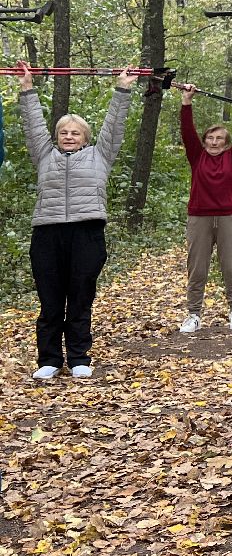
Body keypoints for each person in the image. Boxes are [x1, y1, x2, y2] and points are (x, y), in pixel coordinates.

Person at [15, 63, 137, 379]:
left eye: (75, 133)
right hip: (47, 231)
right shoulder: (44, 155)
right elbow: (33, 126)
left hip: (87, 231)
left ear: (85, 138)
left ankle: (79, 357)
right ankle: (50, 360)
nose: (69, 136)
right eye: (64, 133)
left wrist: (123, 89)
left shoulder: (100, 155)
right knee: (51, 299)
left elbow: (114, 126)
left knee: (80, 296)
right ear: (57, 137)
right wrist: (27, 89)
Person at [179, 85, 232, 333]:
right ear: (204, 141)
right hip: (199, 218)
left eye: (219, 138)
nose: (214, 142)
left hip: (229, 218)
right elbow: (187, 131)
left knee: (231, 267)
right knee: (197, 268)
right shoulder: (196, 156)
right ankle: (194, 315)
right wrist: (186, 103)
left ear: (226, 142)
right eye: (210, 138)